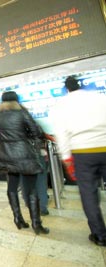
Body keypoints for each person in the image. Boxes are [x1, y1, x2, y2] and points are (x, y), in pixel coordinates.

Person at [52, 76, 106, 246]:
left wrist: (66, 158)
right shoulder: (99, 97)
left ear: (66, 89)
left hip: (82, 152)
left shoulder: (61, 104)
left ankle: (100, 235)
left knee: (88, 193)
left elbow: (61, 134)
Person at [0, 91, 49, 235]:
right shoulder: (22, 113)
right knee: (31, 189)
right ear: (17, 100)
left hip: (6, 155)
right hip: (24, 154)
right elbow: (36, 132)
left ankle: (18, 219)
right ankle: (36, 223)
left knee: (12, 187)